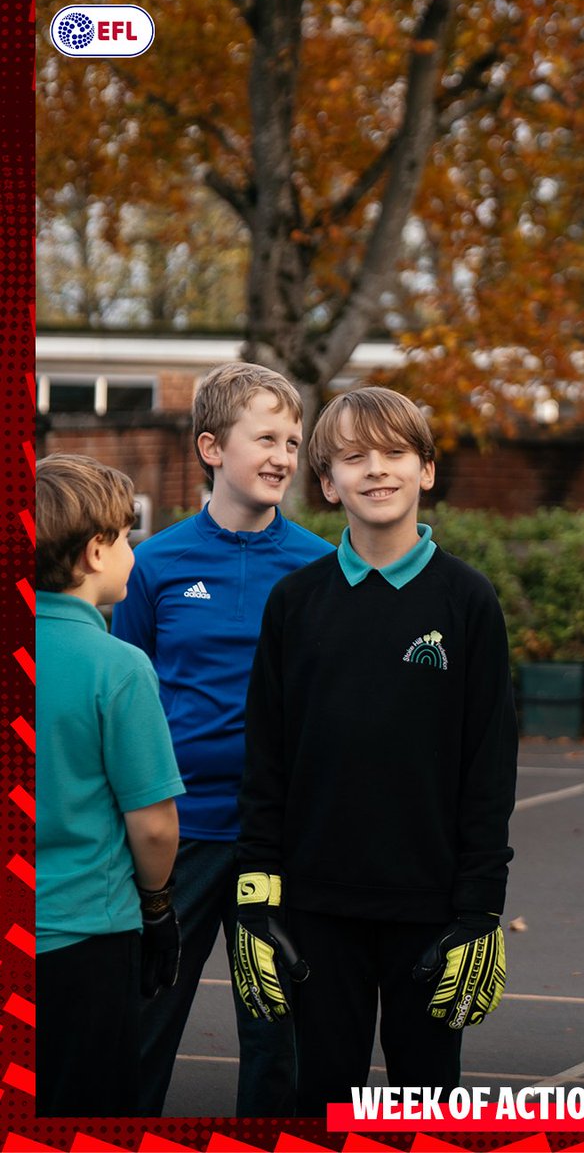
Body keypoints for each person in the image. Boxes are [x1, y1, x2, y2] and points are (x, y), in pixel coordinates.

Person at [233, 386, 518, 1117]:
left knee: (426, 1098)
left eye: (395, 453)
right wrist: (256, 896)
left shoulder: (468, 600)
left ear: (427, 470)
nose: (376, 470)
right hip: (315, 905)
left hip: (432, 905)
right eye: (354, 458)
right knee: (322, 1098)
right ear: (327, 484)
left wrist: (481, 908)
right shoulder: (295, 602)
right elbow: (266, 760)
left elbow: (489, 768)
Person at [111, 363, 334, 1116]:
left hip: (282, 840)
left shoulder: (320, 568)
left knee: (278, 1041)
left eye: (293, 442)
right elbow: (129, 701)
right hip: (180, 835)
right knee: (143, 1023)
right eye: (265, 438)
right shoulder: (154, 564)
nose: (283, 456)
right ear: (211, 447)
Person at [36, 454, 184, 1116]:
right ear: (96, 552)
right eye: (126, 538)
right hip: (85, 936)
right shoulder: (118, 666)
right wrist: (158, 906)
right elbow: (152, 824)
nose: (133, 551)